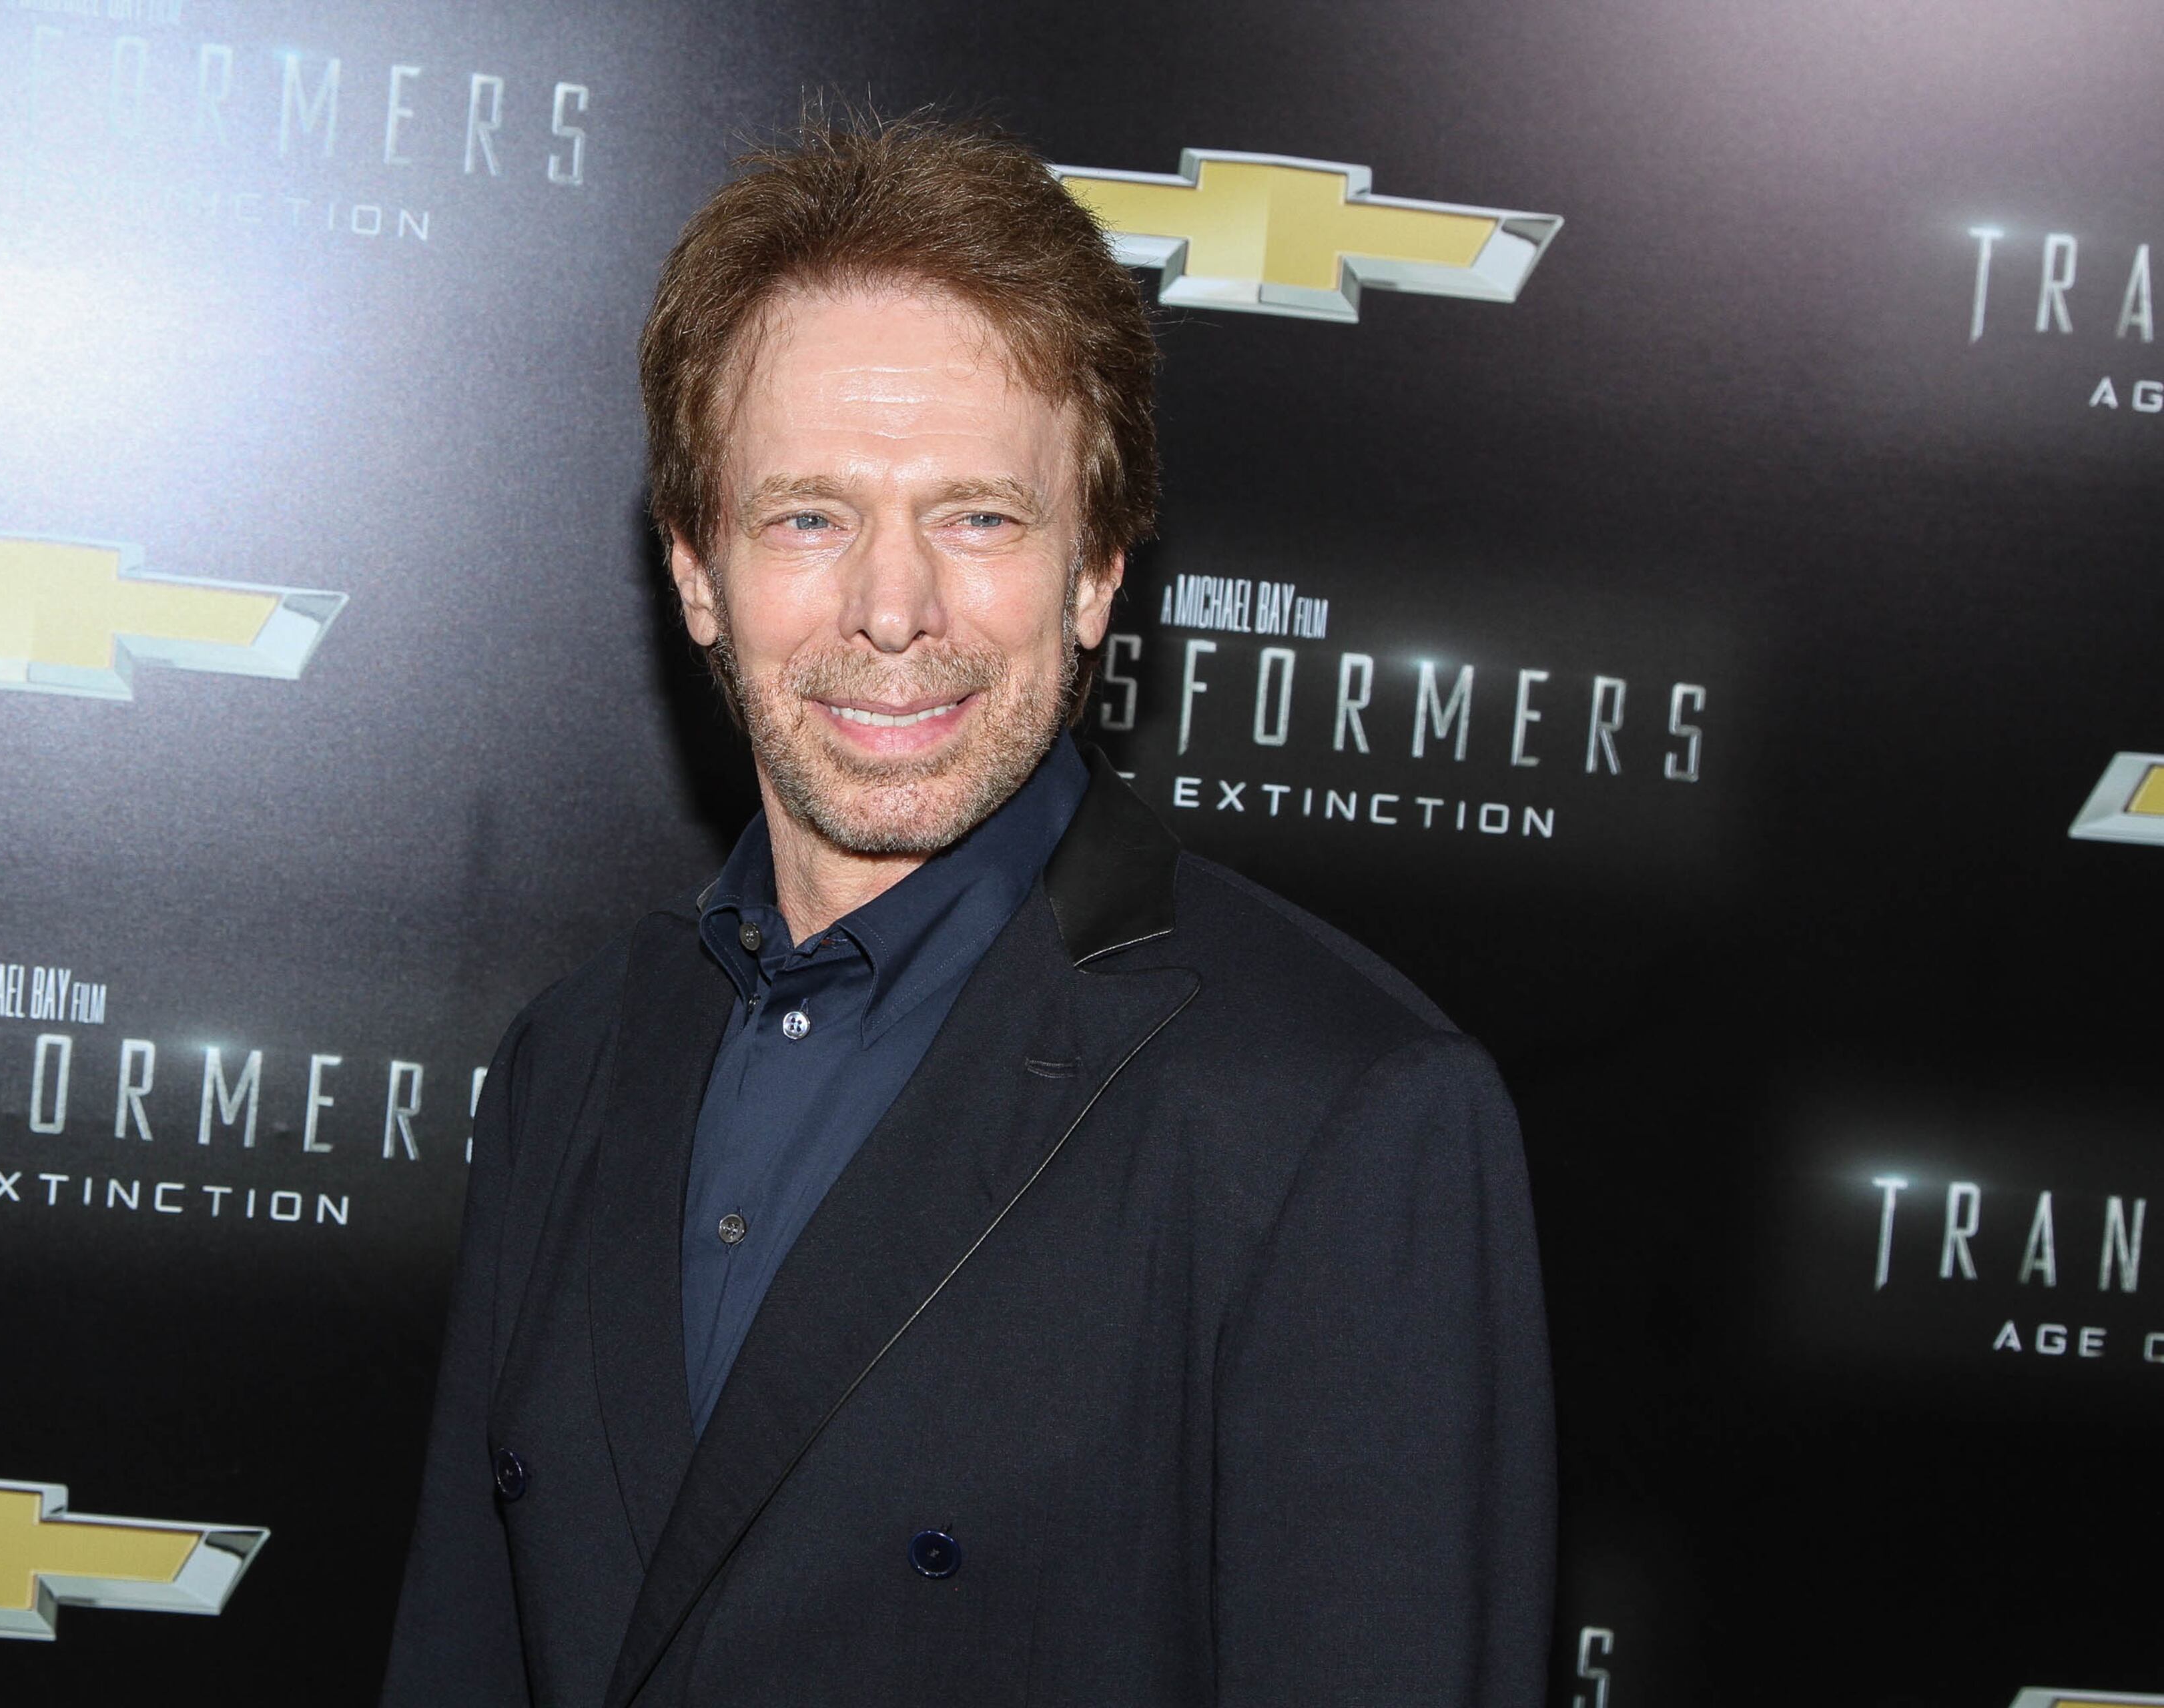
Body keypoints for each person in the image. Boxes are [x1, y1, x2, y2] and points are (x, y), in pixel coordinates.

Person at [383, 114, 1553, 1708]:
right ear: (698, 569)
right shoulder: (569, 1061)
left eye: (978, 516)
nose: (892, 607)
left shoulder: (1340, 1114)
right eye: (809, 515)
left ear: (1097, 571)